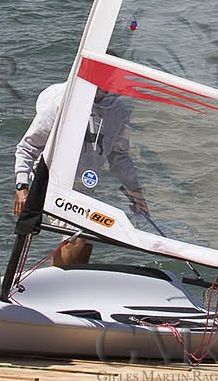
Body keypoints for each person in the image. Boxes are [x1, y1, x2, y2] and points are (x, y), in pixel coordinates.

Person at [12, 80, 147, 267]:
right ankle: (55, 281)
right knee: (78, 237)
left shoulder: (119, 111)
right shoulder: (63, 101)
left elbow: (119, 157)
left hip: (83, 188)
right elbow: (28, 147)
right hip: (51, 182)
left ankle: (67, 281)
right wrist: (22, 186)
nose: (104, 89)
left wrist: (135, 191)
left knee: (87, 239)